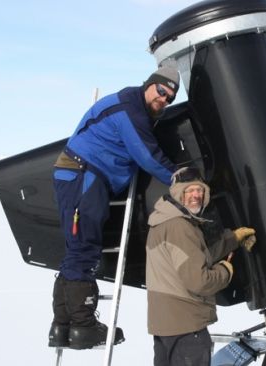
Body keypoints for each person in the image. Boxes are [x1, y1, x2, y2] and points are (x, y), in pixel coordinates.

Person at [48, 66, 181, 350]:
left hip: (80, 175)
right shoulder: (130, 111)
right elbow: (148, 156)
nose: (164, 100)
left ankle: (62, 326)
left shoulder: (132, 105)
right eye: (161, 91)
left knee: (76, 251)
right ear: (150, 84)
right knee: (85, 250)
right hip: (85, 175)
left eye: (169, 98)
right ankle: (83, 326)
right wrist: (178, 178)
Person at [146, 167, 256, 366]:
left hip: (167, 325)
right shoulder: (180, 226)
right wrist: (225, 271)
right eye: (190, 191)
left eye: (200, 190)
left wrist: (234, 238)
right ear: (179, 193)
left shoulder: (162, 222)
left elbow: (195, 257)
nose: (197, 195)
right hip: (186, 325)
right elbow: (199, 281)